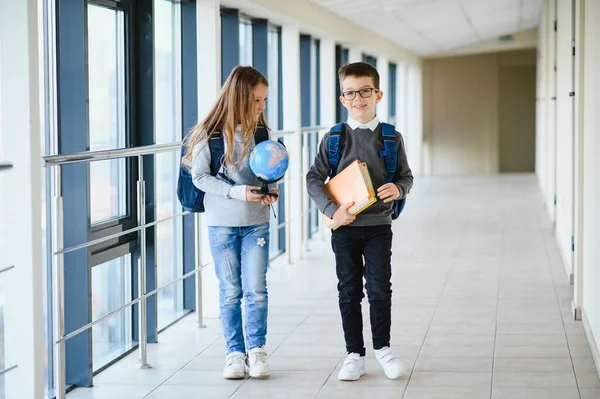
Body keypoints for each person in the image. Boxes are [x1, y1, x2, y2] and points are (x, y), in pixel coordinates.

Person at [306, 62, 413, 381]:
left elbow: (405, 177)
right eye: (350, 93)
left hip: (379, 227)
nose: (358, 98)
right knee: (349, 290)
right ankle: (354, 354)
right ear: (342, 99)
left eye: (365, 91)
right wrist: (330, 210)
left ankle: (383, 349)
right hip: (345, 228)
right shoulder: (334, 138)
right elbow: (314, 178)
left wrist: (398, 188)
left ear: (377, 93)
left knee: (380, 288)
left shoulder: (391, 138)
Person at [183, 66, 278, 379]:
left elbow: (269, 172)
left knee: (256, 289)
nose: (262, 107)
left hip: (257, 222)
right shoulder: (207, 136)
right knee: (230, 291)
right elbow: (200, 178)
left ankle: (257, 351)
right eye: (256, 100)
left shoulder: (262, 132)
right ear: (238, 98)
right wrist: (237, 192)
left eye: (264, 100)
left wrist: (270, 191)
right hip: (222, 223)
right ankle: (234, 354)